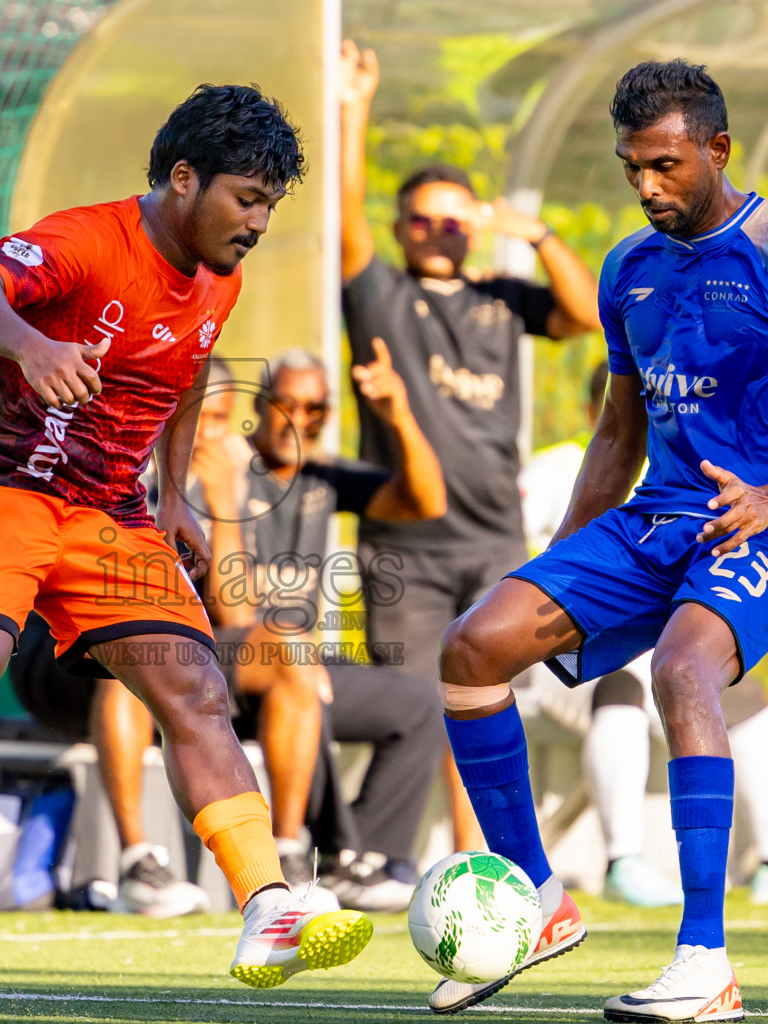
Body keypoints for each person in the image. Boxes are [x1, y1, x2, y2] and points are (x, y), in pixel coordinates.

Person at [0, 85, 374, 1018]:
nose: (260, 222)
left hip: (106, 505)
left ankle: (267, 906)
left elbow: (184, 380)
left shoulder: (220, 277)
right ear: (182, 179)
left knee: (194, 685)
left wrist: (177, 495)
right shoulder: (86, 238)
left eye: (272, 204)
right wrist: (29, 345)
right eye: (247, 199)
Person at [433, 60, 768, 1020]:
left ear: (717, 150)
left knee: (683, 672)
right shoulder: (628, 269)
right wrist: (557, 564)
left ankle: (705, 962)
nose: (646, 187)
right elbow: (618, 431)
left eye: (663, 164)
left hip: (763, 528)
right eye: (630, 168)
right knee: (471, 647)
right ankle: (535, 901)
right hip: (655, 521)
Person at [338, 40, 601, 852]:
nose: (439, 233)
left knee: (483, 702)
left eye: (456, 221)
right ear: (402, 227)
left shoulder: (501, 296)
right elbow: (346, 231)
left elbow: (587, 315)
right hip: (405, 548)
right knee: (417, 705)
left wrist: (541, 235)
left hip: (494, 540)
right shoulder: (384, 295)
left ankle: (480, 862)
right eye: (422, 220)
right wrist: (354, 111)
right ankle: (381, 860)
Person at [522, 364, 768, 907]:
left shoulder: (691, 469)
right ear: (603, 413)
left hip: (656, 639)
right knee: (627, 687)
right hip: (568, 647)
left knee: (744, 695)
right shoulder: (560, 469)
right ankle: (622, 861)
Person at [188, 351, 447, 911]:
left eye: (315, 408)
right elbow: (233, 614)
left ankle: (369, 860)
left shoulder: (324, 475)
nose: (298, 419)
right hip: (225, 665)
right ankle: (324, 852)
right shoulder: (223, 469)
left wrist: (397, 413)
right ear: (259, 408)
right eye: (285, 404)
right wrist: (224, 499)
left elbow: (428, 501)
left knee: (420, 706)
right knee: (300, 674)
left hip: (300, 657)